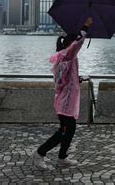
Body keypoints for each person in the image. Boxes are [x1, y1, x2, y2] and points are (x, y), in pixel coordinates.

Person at [33, 17, 93, 169]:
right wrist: (85, 27)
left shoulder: (67, 58)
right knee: (64, 131)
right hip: (65, 102)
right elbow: (77, 45)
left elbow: (64, 79)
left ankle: (62, 157)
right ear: (69, 44)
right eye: (73, 44)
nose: (76, 47)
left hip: (67, 100)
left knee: (70, 130)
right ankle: (40, 153)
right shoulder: (67, 55)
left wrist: (77, 79)